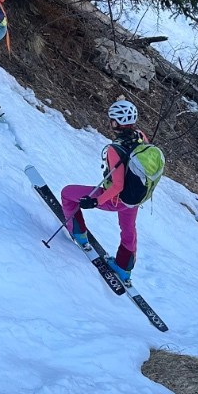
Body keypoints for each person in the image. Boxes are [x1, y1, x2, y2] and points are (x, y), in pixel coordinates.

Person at [60, 98, 152, 283]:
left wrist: (96, 201)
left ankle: (78, 233)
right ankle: (124, 269)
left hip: (115, 198)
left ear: (116, 122)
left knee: (67, 193)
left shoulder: (114, 149)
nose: (109, 122)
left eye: (111, 119)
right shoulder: (141, 136)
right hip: (134, 198)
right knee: (128, 229)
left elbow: (117, 185)